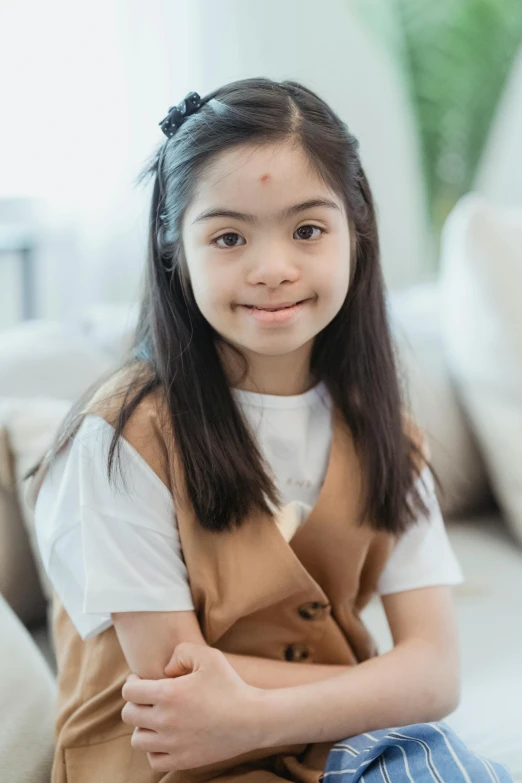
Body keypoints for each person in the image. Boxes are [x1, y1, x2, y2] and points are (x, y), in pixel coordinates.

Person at [25, 78, 513, 783]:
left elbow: (436, 675)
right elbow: (178, 686)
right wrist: (374, 687)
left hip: (336, 749)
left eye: (308, 229)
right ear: (175, 250)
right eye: (228, 236)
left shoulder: (388, 435)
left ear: (356, 233)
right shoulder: (119, 439)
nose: (274, 268)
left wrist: (259, 715)